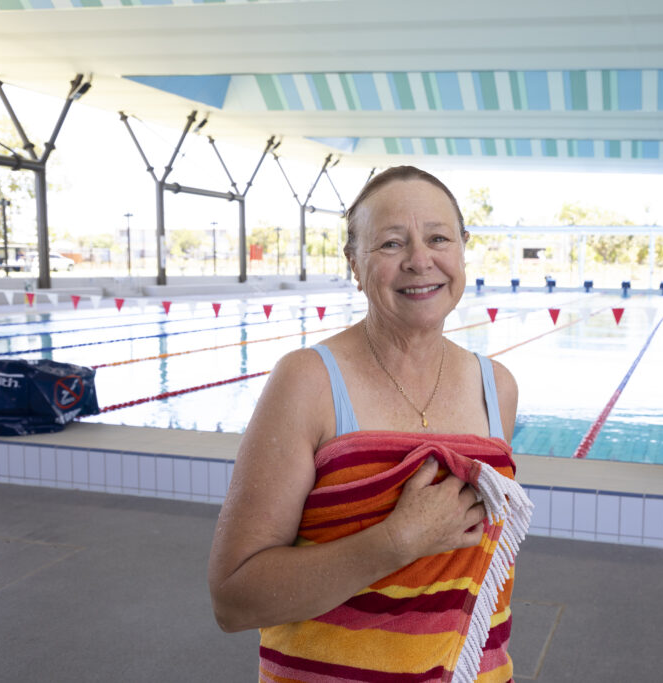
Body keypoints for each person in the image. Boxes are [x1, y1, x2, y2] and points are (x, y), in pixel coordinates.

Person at [208, 166, 531, 683]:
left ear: (463, 250)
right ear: (355, 264)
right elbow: (234, 599)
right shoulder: (309, 381)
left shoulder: (497, 387)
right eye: (391, 243)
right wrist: (397, 541)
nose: (420, 260)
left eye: (438, 238)